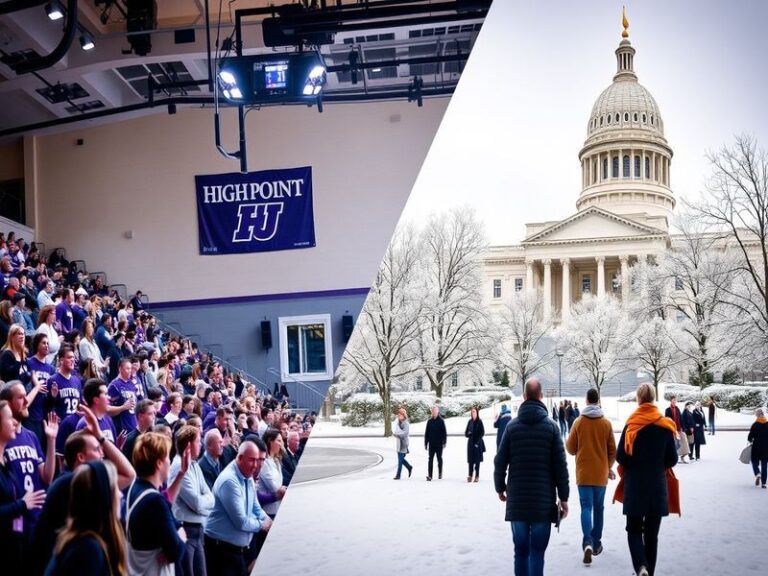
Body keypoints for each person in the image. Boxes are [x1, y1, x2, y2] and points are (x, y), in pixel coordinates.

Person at [494, 378, 569, 576]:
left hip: (517, 501)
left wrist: (499, 487)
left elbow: (500, 461)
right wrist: (564, 498)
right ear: (541, 397)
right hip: (542, 503)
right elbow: (560, 467)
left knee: (520, 551)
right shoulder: (552, 428)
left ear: (524, 396)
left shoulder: (511, 427)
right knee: (537, 552)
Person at [614, 383, 678, 576]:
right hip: (657, 488)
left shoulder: (631, 424)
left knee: (633, 531)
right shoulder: (665, 425)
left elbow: (620, 457)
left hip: (634, 487)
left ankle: (641, 566)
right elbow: (672, 459)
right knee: (652, 536)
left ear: (639, 399)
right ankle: (649, 570)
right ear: (653, 398)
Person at [43, 460, 127, 576]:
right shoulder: (86, 550)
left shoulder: (83, 542)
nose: (120, 494)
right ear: (103, 497)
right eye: (115, 488)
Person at [204, 440, 272, 576]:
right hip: (221, 552)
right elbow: (241, 521)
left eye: (257, 460)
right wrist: (262, 525)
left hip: (235, 551)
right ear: (240, 458)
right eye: (251, 460)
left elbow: (255, 507)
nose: (255, 466)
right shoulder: (229, 481)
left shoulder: (247, 475)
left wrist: (267, 519)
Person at [566, 388, 616, 565]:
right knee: (599, 508)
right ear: (598, 400)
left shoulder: (579, 422)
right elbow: (612, 451)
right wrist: (608, 467)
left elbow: (570, 449)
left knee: (586, 508)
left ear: (587, 401)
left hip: (584, 474)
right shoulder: (606, 424)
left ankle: (587, 541)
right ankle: (596, 544)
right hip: (601, 474)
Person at [125, 431, 187, 575]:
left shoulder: (136, 487)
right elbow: (176, 550)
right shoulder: (155, 501)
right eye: (167, 457)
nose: (169, 461)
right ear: (159, 463)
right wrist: (182, 534)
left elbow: (166, 508)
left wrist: (181, 473)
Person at [0, 399, 47, 574]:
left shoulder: (5, 464)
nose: (14, 422)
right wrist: (22, 504)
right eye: (9, 417)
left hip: (17, 540)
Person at [170, 425, 214, 576]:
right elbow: (196, 503)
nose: (201, 443)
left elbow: (210, 496)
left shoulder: (194, 464)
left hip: (198, 530)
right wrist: (204, 501)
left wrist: (204, 501)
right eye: (197, 440)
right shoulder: (178, 467)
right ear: (188, 445)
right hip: (186, 531)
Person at [257, 429, 284, 518]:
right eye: (278, 441)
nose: (281, 444)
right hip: (269, 511)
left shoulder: (276, 460)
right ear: (270, 441)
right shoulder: (264, 462)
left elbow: (279, 482)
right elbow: (274, 487)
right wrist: (281, 488)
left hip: (277, 507)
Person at [664, 395, 690, 463]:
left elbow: (681, 419)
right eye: (673, 400)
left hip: (679, 429)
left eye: (675, 400)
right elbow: (667, 420)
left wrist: (683, 427)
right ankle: (675, 459)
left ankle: (683, 457)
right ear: (671, 401)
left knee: (684, 442)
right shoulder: (668, 410)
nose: (674, 401)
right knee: (675, 444)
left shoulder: (677, 408)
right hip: (673, 430)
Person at [424, 404, 447, 481]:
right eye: (433, 411)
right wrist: (425, 443)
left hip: (439, 444)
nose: (434, 412)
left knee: (439, 458)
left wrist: (444, 442)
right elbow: (426, 433)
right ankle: (430, 475)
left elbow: (444, 432)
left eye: (435, 411)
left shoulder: (441, 421)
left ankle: (440, 473)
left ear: (438, 412)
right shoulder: (429, 422)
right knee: (430, 459)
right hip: (431, 444)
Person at [748, 408, 768, 489]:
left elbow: (750, 437)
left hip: (756, 446)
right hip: (766, 447)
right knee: (764, 464)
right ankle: (763, 483)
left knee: (754, 461)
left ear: (757, 415)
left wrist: (751, 440)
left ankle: (757, 473)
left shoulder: (755, 424)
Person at [465, 406, 485, 482]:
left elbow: (482, 432)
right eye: (472, 412)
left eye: (474, 412)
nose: (473, 413)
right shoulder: (469, 422)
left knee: (477, 461)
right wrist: (469, 434)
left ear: (477, 413)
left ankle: (477, 476)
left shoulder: (480, 422)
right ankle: (470, 475)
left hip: (477, 443)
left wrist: (477, 441)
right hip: (470, 443)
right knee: (470, 460)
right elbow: (466, 433)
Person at [392, 407, 412, 480]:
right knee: (401, 460)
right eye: (398, 415)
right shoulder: (398, 423)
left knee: (400, 461)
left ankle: (398, 475)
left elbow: (405, 434)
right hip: (398, 443)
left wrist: (397, 435)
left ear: (404, 415)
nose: (399, 416)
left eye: (400, 415)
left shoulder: (406, 424)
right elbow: (397, 431)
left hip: (403, 444)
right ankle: (409, 467)